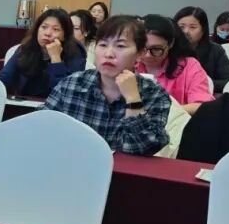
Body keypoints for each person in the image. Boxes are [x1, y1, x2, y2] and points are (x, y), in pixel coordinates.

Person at [44, 15, 170, 156]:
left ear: (140, 54)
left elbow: (146, 148)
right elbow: (41, 128)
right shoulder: (72, 85)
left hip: (123, 170)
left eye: (120, 46)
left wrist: (133, 99)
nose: (109, 54)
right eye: (103, 45)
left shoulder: (154, 94)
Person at [135, 14, 214, 115]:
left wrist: (161, 112)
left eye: (156, 49)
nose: (147, 55)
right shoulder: (128, 63)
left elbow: (202, 105)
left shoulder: (188, 66)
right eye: (142, 48)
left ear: (170, 44)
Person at [0, 8, 85, 97]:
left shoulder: (76, 54)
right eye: (44, 27)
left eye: (55, 29)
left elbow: (65, 94)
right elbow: (4, 78)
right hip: (25, 102)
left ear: (65, 35)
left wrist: (56, 58)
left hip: (54, 105)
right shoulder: (26, 48)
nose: (47, 33)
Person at [174, 6, 229, 93]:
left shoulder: (215, 50)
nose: (186, 31)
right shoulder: (168, 49)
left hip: (206, 95)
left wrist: (202, 84)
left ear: (203, 30)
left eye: (192, 27)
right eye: (181, 27)